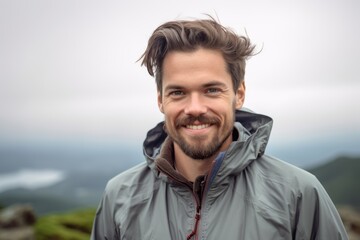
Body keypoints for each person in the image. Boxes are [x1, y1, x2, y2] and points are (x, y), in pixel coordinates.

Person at [91, 16, 348, 239]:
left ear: (239, 94)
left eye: (211, 90)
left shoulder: (299, 194)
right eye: (178, 92)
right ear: (160, 100)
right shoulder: (120, 197)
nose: (194, 108)